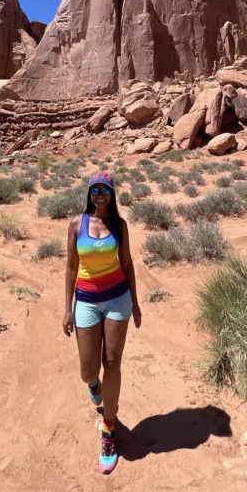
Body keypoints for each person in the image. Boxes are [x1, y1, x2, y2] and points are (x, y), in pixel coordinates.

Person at [63, 171, 141, 474]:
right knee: (87, 370)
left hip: (117, 299)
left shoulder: (119, 226)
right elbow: (70, 268)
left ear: (112, 194)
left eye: (104, 190)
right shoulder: (76, 224)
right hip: (86, 300)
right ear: (89, 194)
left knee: (113, 363)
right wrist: (67, 309)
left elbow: (129, 264)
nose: (99, 194)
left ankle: (108, 431)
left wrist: (135, 304)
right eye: (94, 189)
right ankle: (94, 386)